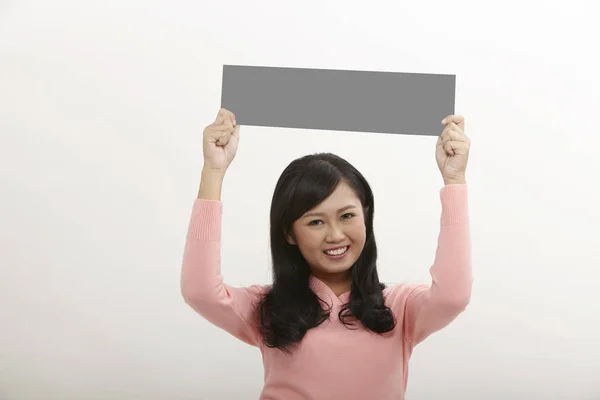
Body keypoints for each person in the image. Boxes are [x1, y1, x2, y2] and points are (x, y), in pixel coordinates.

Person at [181, 107, 473, 399]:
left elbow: (453, 295)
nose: (335, 235)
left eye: (347, 216)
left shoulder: (399, 308)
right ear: (289, 233)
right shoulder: (268, 309)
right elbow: (200, 291)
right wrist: (213, 172)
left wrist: (454, 180)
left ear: (366, 217)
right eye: (316, 221)